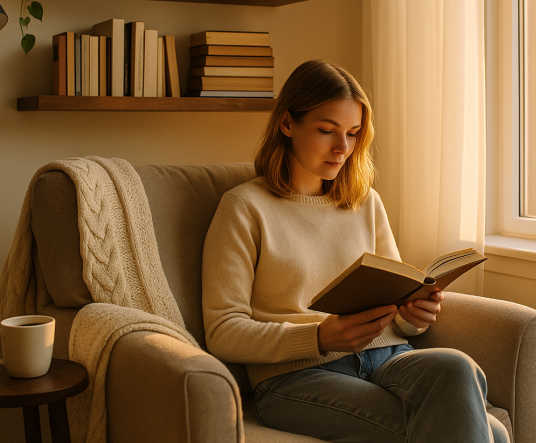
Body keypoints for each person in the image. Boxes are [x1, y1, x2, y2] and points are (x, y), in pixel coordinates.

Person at [202, 60, 508, 443]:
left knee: (457, 366)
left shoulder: (365, 202)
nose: (342, 148)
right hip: (296, 376)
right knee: (490, 431)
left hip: (388, 357)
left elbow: (397, 303)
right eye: (327, 131)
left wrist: (415, 315)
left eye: (353, 133)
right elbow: (222, 332)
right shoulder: (244, 207)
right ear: (287, 124)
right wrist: (317, 337)